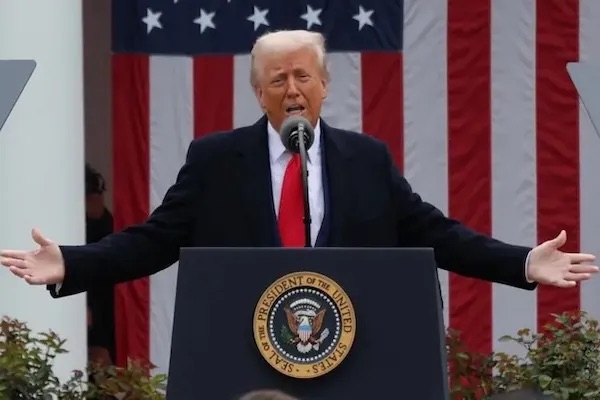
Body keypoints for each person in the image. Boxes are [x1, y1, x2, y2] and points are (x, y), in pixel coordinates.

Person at [0, 29, 598, 297]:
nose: (292, 89)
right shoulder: (215, 160)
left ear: (324, 86)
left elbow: (437, 236)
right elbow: (154, 242)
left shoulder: (365, 159)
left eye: (303, 77)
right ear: (259, 92)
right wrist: (72, 263)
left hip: (351, 349)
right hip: (244, 350)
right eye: (278, 78)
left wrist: (523, 262)